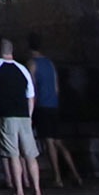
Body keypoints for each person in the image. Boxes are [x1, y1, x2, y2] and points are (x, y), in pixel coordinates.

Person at [0, 38, 39, 195]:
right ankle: (37, 190)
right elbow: (30, 96)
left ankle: (19, 190)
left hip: (6, 115)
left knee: (13, 155)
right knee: (30, 155)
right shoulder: (23, 69)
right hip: (24, 116)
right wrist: (30, 116)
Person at [26, 35, 80, 185]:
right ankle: (76, 174)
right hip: (53, 105)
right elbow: (56, 88)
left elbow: (32, 87)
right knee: (59, 142)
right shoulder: (50, 63)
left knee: (49, 142)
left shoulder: (32, 63)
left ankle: (57, 177)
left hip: (42, 106)